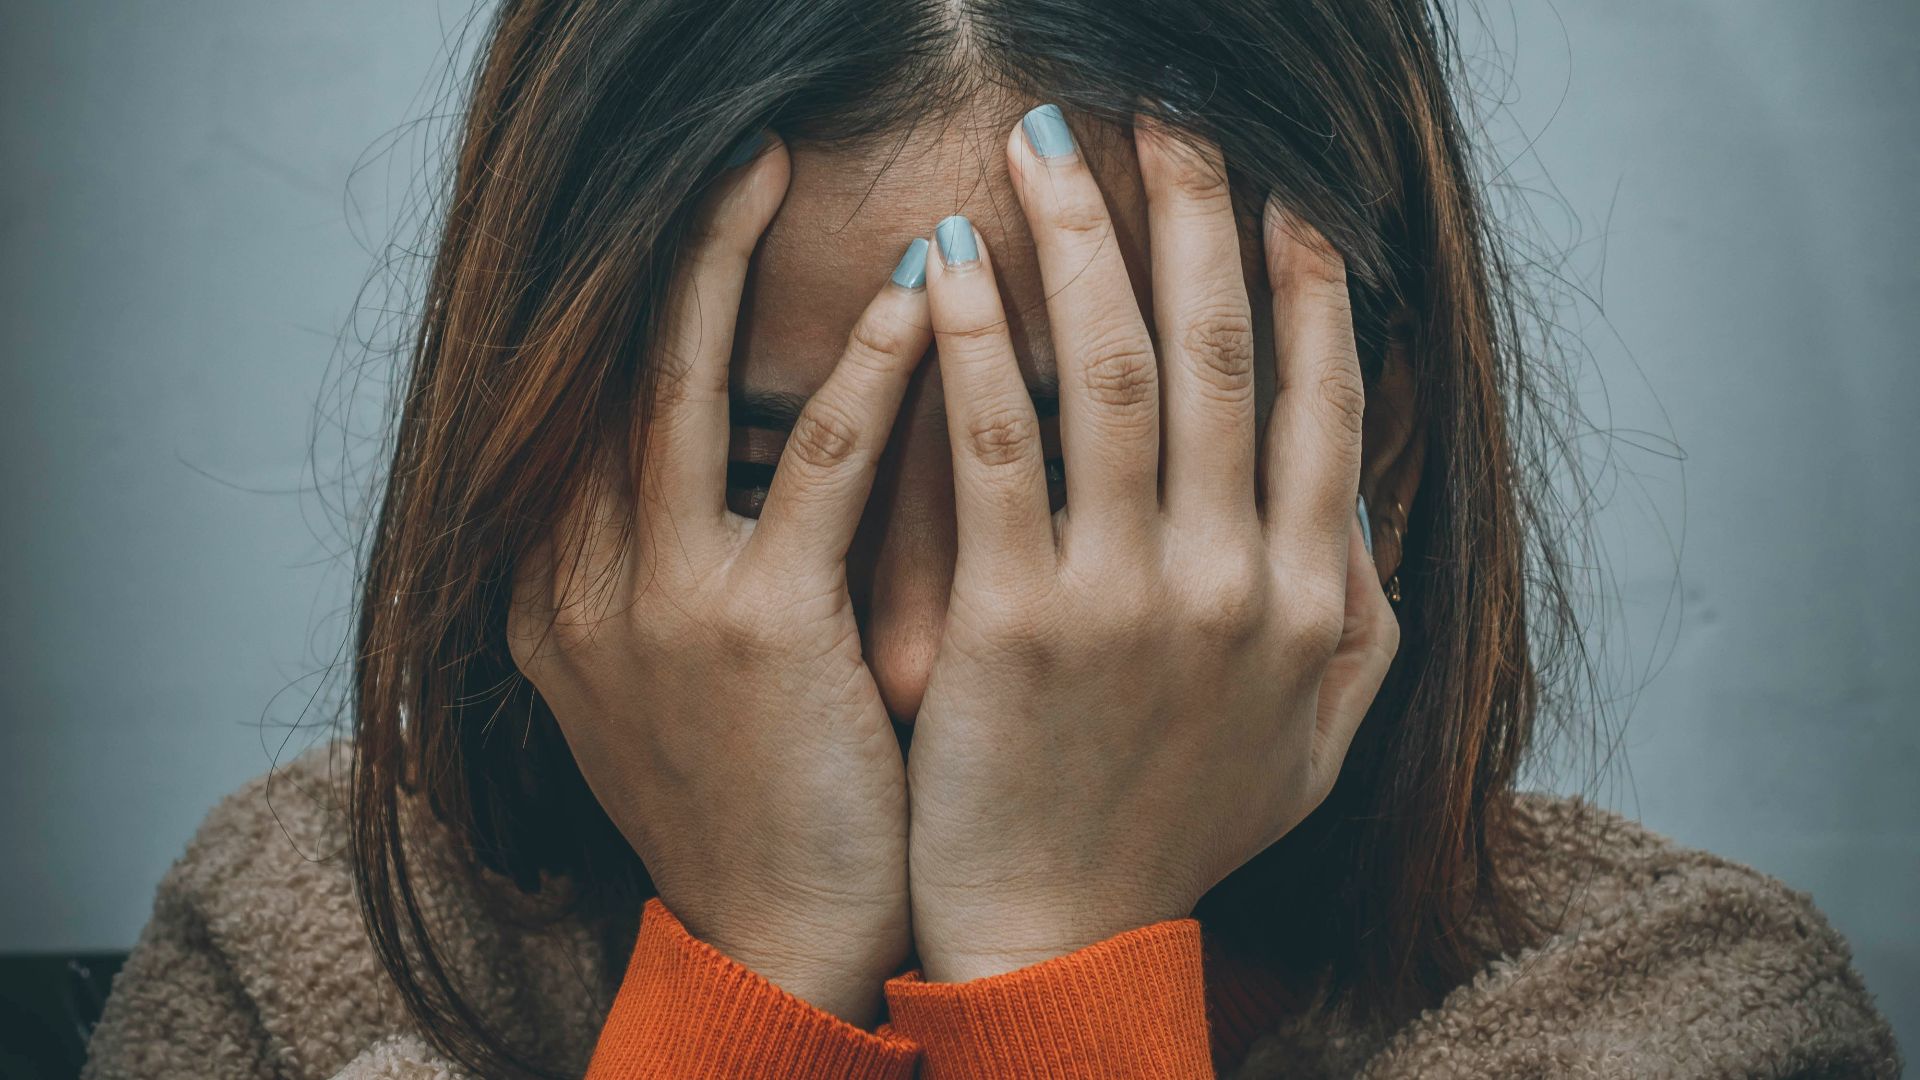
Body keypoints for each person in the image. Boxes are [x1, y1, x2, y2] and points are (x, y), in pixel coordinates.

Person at [83, 1, 1902, 1077]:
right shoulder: (305, 952)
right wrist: (755, 968)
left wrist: (1053, 963)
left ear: (1368, 436)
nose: (909, 654)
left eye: (1069, 476)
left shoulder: (1674, 1019)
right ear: (542, 433)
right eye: (764, 472)